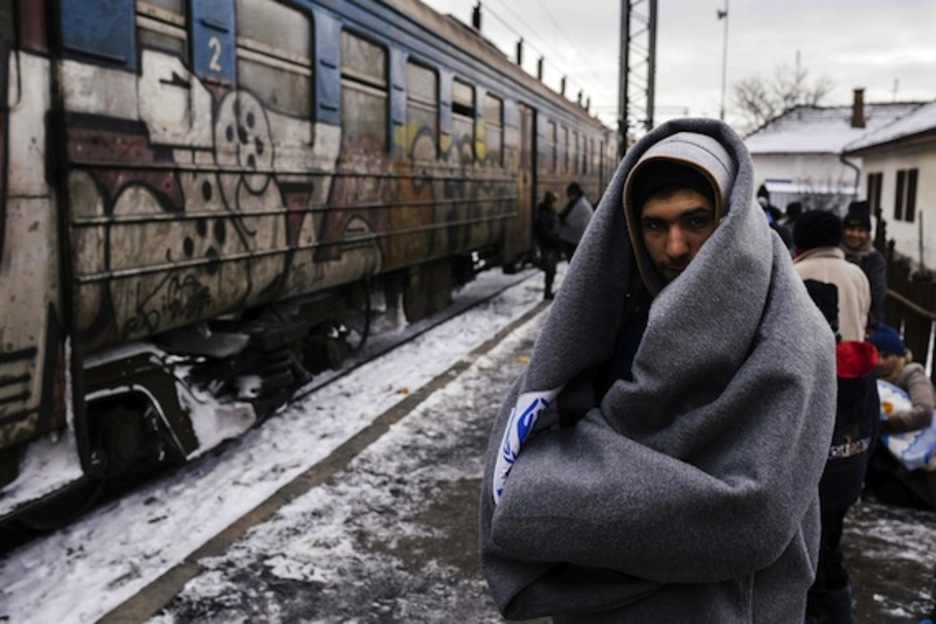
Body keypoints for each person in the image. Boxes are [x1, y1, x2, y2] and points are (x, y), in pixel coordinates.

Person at [479, 119, 836, 621]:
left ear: (733, 217)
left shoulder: (792, 335)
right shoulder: (619, 314)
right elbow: (516, 454)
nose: (674, 247)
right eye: (654, 225)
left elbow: (748, 517)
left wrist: (554, 487)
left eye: (696, 220)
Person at [794, 277, 879, 622]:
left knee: (806, 567)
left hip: (814, 487)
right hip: (846, 480)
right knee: (830, 554)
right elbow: (873, 425)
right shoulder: (860, 367)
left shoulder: (806, 365)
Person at [792, 210, 872, 342]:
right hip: (851, 357)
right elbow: (862, 319)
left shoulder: (792, 274)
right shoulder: (857, 275)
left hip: (806, 359)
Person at [841, 200, 888, 324]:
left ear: (867, 234)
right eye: (850, 229)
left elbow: (877, 295)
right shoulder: (836, 255)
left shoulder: (875, 260)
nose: (855, 234)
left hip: (865, 321)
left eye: (861, 230)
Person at [534, 190, 561, 300]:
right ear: (551, 202)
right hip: (548, 245)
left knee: (551, 270)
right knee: (549, 269)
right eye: (555, 202)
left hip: (550, 245)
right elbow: (545, 231)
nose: (557, 204)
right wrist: (555, 240)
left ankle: (548, 290)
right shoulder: (545, 214)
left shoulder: (549, 212)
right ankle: (547, 292)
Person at [556, 181, 593, 260]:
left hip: (576, 241)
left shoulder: (581, 205)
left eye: (570, 195)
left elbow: (569, 220)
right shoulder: (577, 202)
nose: (569, 197)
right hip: (573, 240)